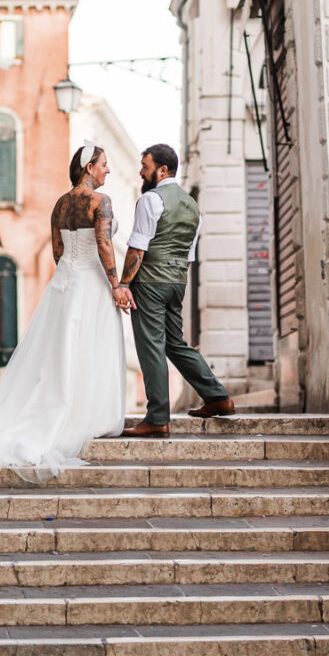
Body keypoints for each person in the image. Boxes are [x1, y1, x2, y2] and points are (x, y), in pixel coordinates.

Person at [0, 142, 127, 478]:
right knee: (88, 347)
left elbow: (58, 250)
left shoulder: (59, 204)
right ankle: (84, 415)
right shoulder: (101, 202)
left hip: (63, 283)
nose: (107, 170)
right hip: (91, 281)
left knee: (55, 352)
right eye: (103, 164)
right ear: (89, 167)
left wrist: (70, 271)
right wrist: (116, 285)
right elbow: (103, 243)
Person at [119, 143, 234, 438]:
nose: (141, 172)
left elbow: (138, 247)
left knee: (151, 346)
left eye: (145, 167)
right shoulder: (193, 206)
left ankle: (158, 417)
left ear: (163, 170)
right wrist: (174, 283)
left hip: (150, 282)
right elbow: (189, 255)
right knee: (175, 343)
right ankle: (217, 396)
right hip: (177, 282)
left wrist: (123, 283)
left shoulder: (151, 200)